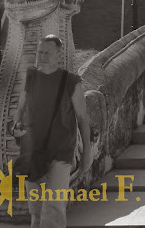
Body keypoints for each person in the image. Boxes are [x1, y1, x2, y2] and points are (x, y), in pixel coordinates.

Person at [12, 35, 92, 228]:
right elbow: (20, 110)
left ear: (59, 53)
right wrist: (16, 126)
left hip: (60, 153)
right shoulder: (30, 77)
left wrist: (87, 153)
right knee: (36, 211)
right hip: (32, 152)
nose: (43, 56)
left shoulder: (72, 81)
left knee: (54, 207)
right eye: (40, 52)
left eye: (47, 52)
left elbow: (82, 118)